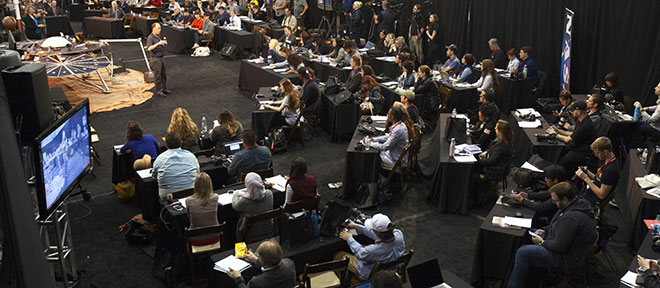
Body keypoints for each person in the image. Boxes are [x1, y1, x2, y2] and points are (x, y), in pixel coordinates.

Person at [507, 182, 597, 288]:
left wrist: (541, 242)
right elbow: (556, 224)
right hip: (560, 243)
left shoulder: (571, 219)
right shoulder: (577, 204)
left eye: (555, 201)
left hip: (565, 259)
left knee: (523, 252)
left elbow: (559, 247)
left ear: (565, 199)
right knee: (524, 233)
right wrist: (545, 230)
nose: (553, 203)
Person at [335, 213, 405, 281]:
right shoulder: (399, 234)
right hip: (392, 268)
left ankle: (345, 281)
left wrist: (349, 238)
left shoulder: (372, 250)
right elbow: (379, 235)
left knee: (339, 255)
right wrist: (357, 226)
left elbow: (360, 253)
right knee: (363, 246)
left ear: (377, 232)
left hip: (370, 273)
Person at [548, 100, 597, 180]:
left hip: (582, 153)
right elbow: (573, 134)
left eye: (573, 111)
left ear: (578, 111)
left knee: (561, 163)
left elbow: (568, 140)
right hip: (576, 148)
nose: (572, 113)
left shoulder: (586, 125)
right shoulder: (580, 121)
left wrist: (555, 135)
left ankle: (562, 181)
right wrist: (558, 130)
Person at [152, 132, 200, 202]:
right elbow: (198, 173)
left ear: (166, 145)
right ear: (180, 143)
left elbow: (154, 177)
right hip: (192, 193)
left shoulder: (159, 159)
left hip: (168, 197)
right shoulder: (191, 156)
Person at [227, 240, 297, 288]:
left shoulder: (256, 283)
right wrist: (257, 260)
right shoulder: (290, 264)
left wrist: (238, 279)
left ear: (263, 261)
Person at [575, 137, 620, 208]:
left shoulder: (610, 170)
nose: (595, 155)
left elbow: (602, 195)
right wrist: (587, 172)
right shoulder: (604, 160)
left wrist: (586, 179)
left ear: (605, 152)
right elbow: (599, 178)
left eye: (598, 153)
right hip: (590, 191)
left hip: (593, 201)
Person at [231, 172, 275, 242]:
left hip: (251, 235)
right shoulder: (269, 194)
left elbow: (235, 206)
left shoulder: (244, 201)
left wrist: (236, 195)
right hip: (269, 231)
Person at [146, 22, 168, 98]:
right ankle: (159, 91)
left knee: (163, 75)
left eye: (160, 28)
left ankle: (164, 89)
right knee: (157, 76)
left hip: (161, 58)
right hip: (155, 59)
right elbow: (149, 48)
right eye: (158, 28)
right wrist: (158, 43)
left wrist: (163, 44)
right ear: (153, 29)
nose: (160, 30)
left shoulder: (158, 36)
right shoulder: (150, 38)